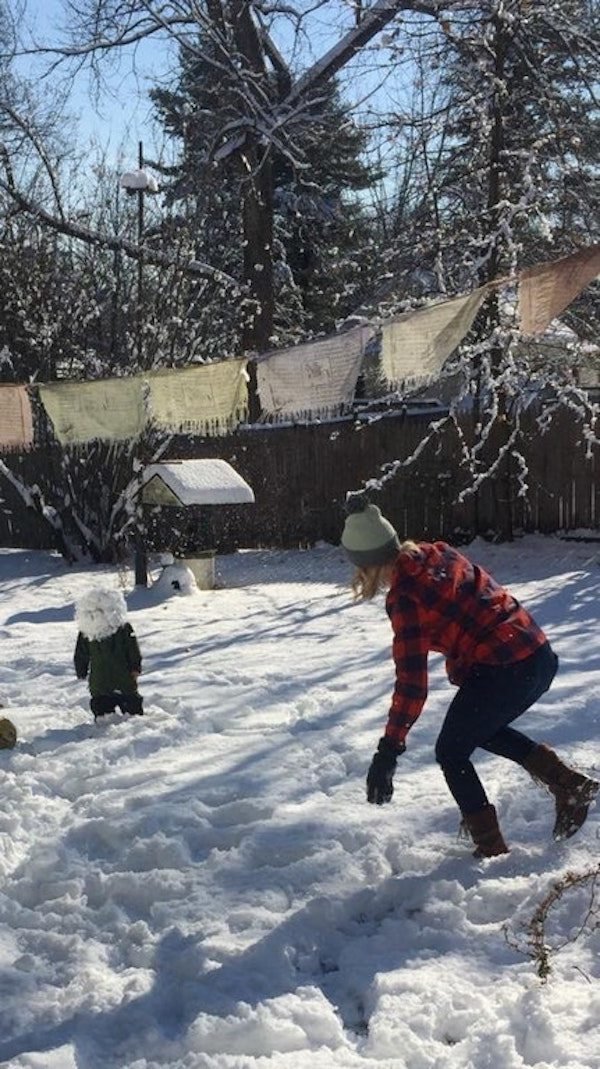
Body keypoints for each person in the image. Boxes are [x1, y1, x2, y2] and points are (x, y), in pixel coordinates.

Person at [340, 494, 598, 858]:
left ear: (364, 564)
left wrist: (389, 750)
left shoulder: (406, 598)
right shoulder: (436, 553)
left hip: (507, 667)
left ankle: (491, 849)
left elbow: (412, 684)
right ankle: (569, 785)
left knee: (451, 749)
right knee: (477, 730)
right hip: (537, 655)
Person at [74, 588, 144, 720]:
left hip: (123, 679)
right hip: (101, 682)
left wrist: (135, 667)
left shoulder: (123, 628)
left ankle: (133, 719)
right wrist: (81, 670)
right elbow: (81, 653)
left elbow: (132, 648)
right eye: (94, 611)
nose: (98, 614)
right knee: (102, 712)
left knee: (132, 711)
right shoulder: (87, 631)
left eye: (101, 610)